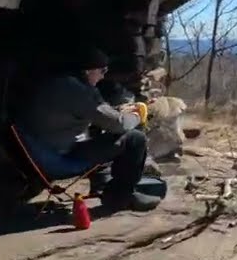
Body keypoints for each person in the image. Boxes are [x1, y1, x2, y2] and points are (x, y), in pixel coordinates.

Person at [17, 47, 159, 212]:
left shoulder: (54, 82)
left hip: (36, 150)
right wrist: (137, 115)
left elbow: (93, 112)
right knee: (135, 138)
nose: (104, 75)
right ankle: (121, 198)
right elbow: (119, 124)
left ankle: (102, 184)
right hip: (58, 158)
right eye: (102, 70)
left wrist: (112, 113)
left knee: (98, 133)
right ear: (88, 70)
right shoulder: (78, 91)